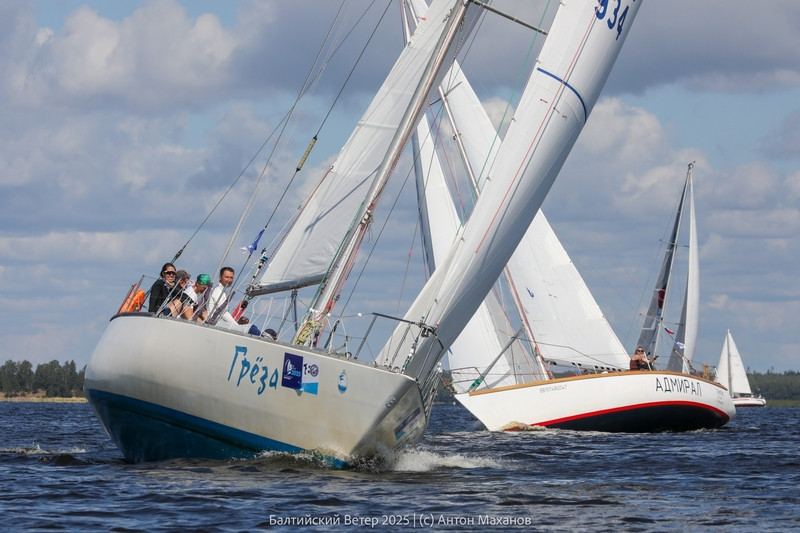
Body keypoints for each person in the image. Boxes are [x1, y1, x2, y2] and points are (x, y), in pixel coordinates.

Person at [205, 267, 261, 336]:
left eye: (231, 278)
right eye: (226, 277)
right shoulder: (218, 291)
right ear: (220, 277)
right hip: (215, 322)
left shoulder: (222, 291)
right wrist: (236, 326)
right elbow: (223, 313)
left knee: (253, 329)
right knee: (252, 330)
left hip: (220, 322)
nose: (229, 280)